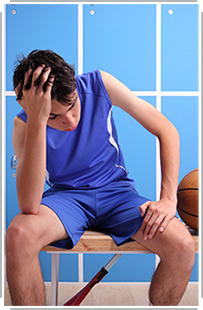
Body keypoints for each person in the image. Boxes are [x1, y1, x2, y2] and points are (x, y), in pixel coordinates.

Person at [6, 49, 195, 306]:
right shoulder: (24, 125)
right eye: (54, 116)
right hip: (66, 199)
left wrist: (168, 199)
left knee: (182, 245)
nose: (70, 120)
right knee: (18, 234)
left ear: (74, 84)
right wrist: (37, 121)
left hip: (117, 194)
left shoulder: (100, 84)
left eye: (72, 104)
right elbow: (29, 205)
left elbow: (167, 130)